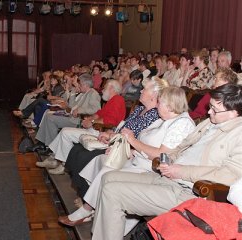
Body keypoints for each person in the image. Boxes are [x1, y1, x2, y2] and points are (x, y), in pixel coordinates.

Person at [91, 83, 242, 240]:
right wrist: (167, 160)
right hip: (168, 177)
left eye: (215, 110)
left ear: (234, 113)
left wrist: (180, 170)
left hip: (190, 192)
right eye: (210, 106)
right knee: (108, 178)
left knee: (113, 192)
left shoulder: (238, 134)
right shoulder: (210, 123)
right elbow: (181, 148)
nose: (209, 112)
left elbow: (231, 175)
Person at [59, 87, 195, 230]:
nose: (157, 105)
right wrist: (131, 149)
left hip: (151, 168)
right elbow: (143, 140)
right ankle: (93, 208)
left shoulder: (181, 123)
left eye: (160, 102)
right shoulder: (164, 119)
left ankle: (88, 210)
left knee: (107, 172)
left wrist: (133, 143)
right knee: (100, 162)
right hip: (139, 160)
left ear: (169, 105)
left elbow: (161, 155)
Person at [65, 76, 167, 202]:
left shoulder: (155, 115)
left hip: (125, 148)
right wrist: (110, 134)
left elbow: (137, 136)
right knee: (78, 149)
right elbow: (123, 127)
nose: (140, 91)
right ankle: (84, 194)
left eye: (144, 89)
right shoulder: (140, 109)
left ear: (154, 94)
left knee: (84, 155)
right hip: (116, 140)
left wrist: (113, 137)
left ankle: (88, 199)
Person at [37, 80, 126, 175]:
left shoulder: (117, 100)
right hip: (97, 128)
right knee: (65, 132)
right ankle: (55, 159)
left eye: (105, 88)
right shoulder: (112, 100)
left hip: (103, 132)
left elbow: (110, 121)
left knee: (65, 133)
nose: (103, 90)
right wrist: (90, 119)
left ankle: (62, 164)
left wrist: (91, 122)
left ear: (112, 88)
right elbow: (98, 114)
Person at [34, 74, 101, 146]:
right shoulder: (83, 93)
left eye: (80, 84)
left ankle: (50, 145)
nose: (78, 86)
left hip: (78, 120)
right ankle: (42, 141)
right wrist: (73, 92)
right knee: (48, 115)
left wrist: (80, 110)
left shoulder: (93, 94)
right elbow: (71, 106)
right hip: (72, 117)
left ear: (85, 85)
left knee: (50, 119)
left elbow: (96, 109)